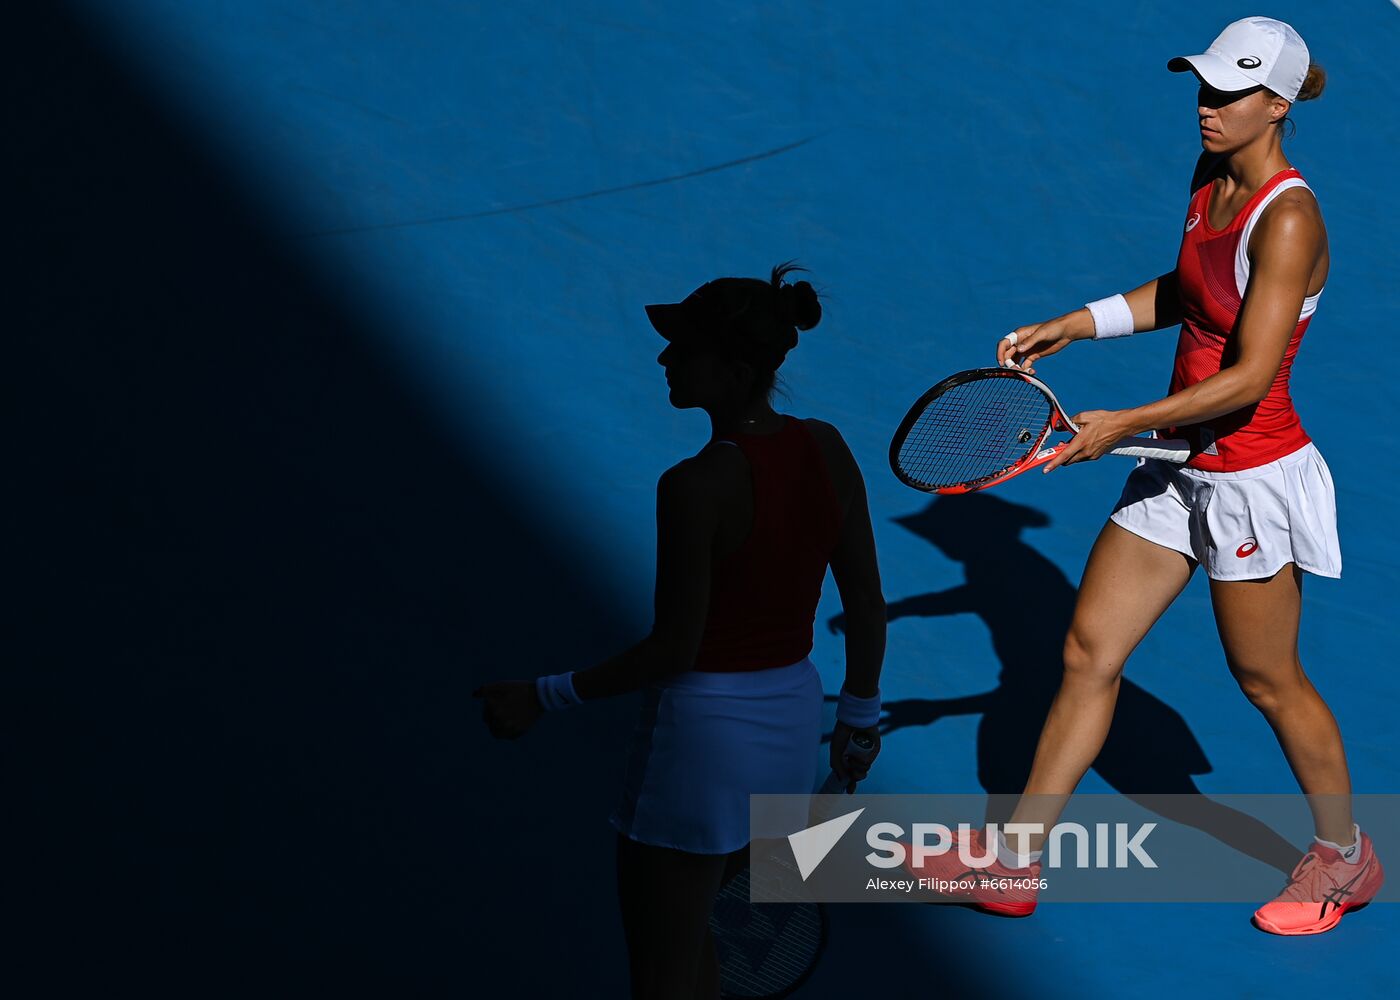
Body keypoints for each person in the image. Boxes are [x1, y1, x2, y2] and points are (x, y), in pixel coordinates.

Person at [905, 17, 1382, 935]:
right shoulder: (1213, 179)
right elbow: (1186, 289)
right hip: (1176, 465)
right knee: (1088, 651)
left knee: (1268, 679)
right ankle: (1014, 865)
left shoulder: (1289, 217)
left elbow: (1246, 374)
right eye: (1202, 88)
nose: (1207, 107)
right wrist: (1075, 323)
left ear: (1277, 106)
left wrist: (1120, 421)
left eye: (1229, 94)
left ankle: (1347, 856)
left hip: (1249, 477)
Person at [475, 263, 887, 995]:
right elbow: (864, 599)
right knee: (693, 938)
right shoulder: (825, 447)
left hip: (701, 743)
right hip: (791, 723)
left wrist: (544, 695)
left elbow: (674, 649)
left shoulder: (696, 487)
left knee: (661, 971)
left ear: (730, 369)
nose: (665, 359)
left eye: (683, 349)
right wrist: (856, 716)